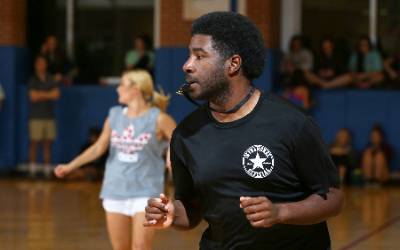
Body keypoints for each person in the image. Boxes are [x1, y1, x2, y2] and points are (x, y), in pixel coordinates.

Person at [144, 12, 343, 250]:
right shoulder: (186, 134)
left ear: (233, 64)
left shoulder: (291, 123)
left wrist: (281, 212)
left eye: (199, 56)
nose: (187, 65)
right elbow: (191, 208)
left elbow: (332, 198)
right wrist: (171, 214)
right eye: (189, 56)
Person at [54, 69, 176, 250]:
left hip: (147, 191)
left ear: (136, 89)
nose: (117, 89)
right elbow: (98, 148)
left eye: (122, 85)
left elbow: (179, 151)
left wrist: (176, 190)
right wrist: (70, 166)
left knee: (141, 247)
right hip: (115, 189)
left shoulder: (159, 119)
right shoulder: (114, 115)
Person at [28, 55, 60, 177]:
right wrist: (48, 94)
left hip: (49, 116)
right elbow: (33, 97)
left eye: (43, 63)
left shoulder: (50, 78)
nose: (41, 65)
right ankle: (32, 170)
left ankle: (47, 170)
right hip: (35, 117)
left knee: (48, 144)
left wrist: (40, 94)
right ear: (36, 65)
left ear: (46, 65)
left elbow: (56, 95)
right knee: (34, 143)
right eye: (39, 63)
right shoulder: (32, 80)